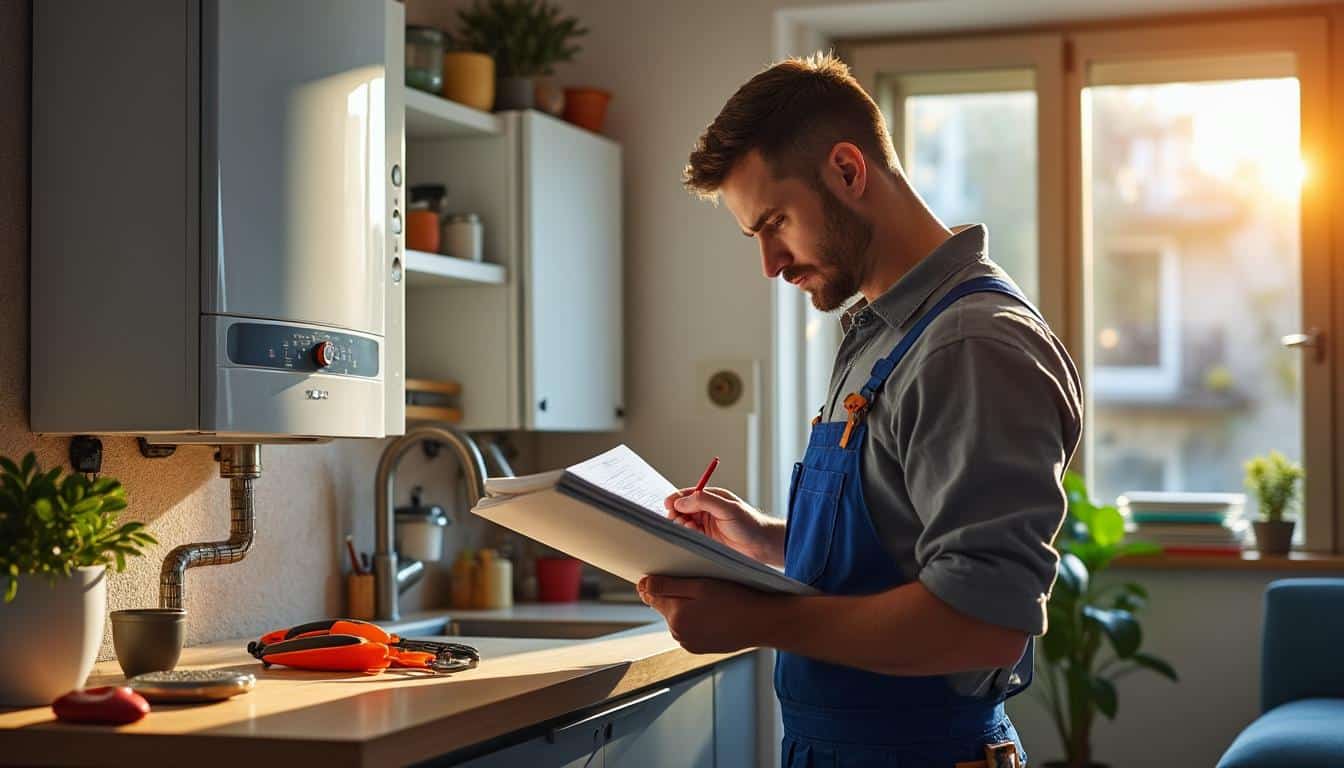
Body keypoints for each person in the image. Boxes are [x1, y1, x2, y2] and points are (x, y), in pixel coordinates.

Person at [636, 54, 1083, 768]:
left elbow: (982, 626)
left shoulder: (969, 345)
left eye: (775, 222)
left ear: (848, 171)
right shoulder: (881, 334)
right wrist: (764, 540)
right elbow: (897, 542)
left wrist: (758, 620)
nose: (770, 263)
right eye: (755, 235)